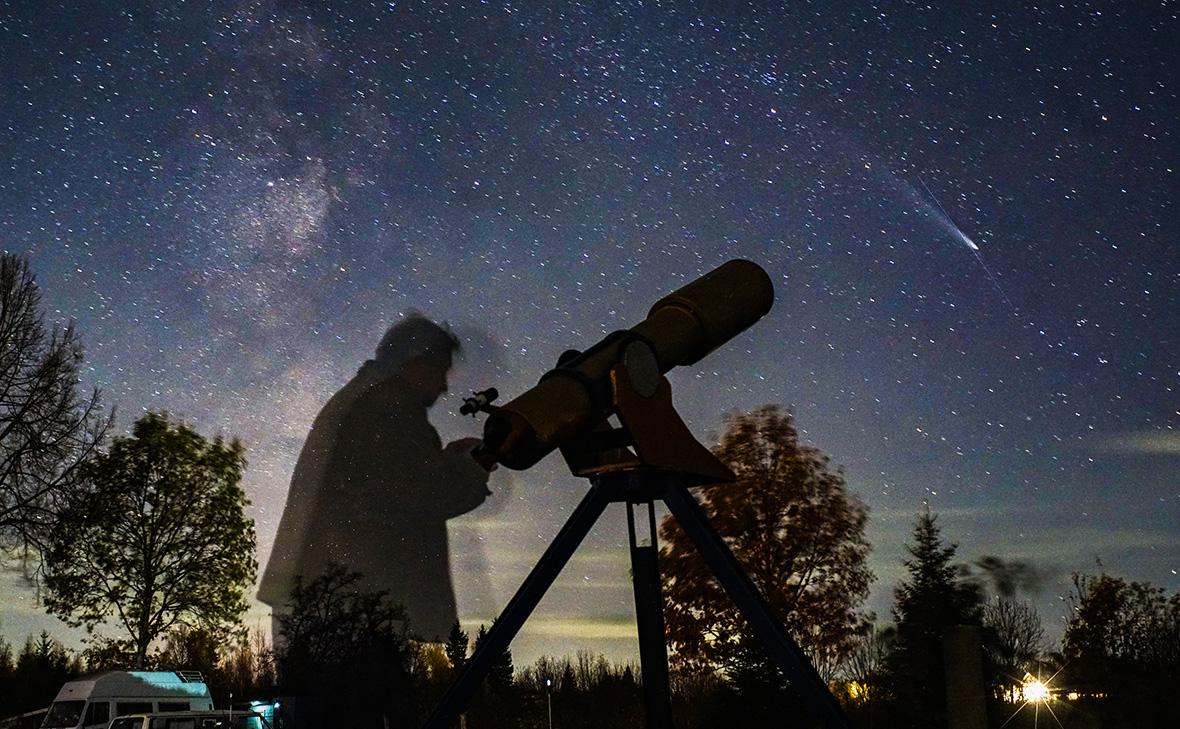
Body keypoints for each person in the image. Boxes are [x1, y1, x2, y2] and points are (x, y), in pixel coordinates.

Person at [259, 313, 494, 642]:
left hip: (324, 594)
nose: (444, 386)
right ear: (415, 363)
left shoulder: (362, 399)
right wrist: (478, 462)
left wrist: (444, 461)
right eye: (440, 371)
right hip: (353, 604)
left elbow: (387, 483)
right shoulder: (390, 407)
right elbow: (426, 493)